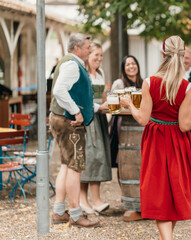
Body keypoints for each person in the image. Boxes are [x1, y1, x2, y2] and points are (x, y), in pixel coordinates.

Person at [120, 35, 191, 239]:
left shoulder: (149, 82)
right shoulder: (188, 87)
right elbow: (185, 125)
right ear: (183, 56)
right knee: (173, 192)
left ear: (162, 54)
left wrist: (129, 104)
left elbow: (142, 119)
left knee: (159, 192)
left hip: (155, 140)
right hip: (177, 142)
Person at [49, 33, 107, 228]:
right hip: (69, 122)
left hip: (60, 118)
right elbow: (59, 91)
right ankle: (75, 214)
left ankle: (58, 212)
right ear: (76, 49)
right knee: (75, 168)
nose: (90, 50)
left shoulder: (70, 63)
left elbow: (76, 94)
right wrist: (76, 113)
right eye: (87, 47)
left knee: (66, 165)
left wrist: (98, 108)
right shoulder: (73, 65)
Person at [79, 42, 112, 215]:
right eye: (95, 55)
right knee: (90, 158)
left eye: (100, 55)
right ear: (88, 56)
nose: (99, 58)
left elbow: (104, 96)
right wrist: (100, 107)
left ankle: (93, 200)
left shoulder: (100, 73)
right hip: (88, 118)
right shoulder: (83, 74)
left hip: (99, 118)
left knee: (98, 157)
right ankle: (86, 200)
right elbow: (83, 100)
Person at [109, 55, 143, 169]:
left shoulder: (144, 83)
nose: (131, 66)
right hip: (123, 123)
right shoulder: (119, 83)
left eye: (133, 63)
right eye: (127, 64)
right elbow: (112, 104)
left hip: (140, 122)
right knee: (123, 158)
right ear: (123, 69)